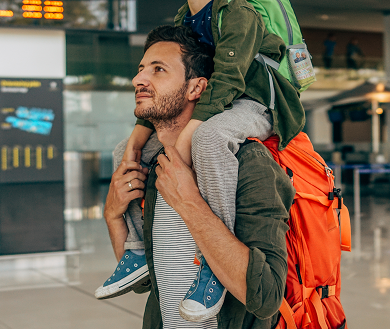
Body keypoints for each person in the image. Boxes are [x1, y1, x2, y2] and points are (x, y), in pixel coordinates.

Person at [94, 0, 305, 322]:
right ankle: (135, 254)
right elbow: (156, 284)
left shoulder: (239, 14)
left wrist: (186, 143)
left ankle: (212, 267)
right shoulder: (183, 21)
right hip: (216, 107)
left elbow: (225, 81)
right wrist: (129, 165)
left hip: (255, 103)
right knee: (126, 145)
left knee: (208, 139)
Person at [103, 25, 294, 329]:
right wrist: (113, 215)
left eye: (158, 70)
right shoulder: (155, 167)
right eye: (141, 70)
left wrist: (189, 202)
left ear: (196, 88)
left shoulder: (247, 163)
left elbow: (266, 296)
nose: (138, 79)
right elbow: (146, 283)